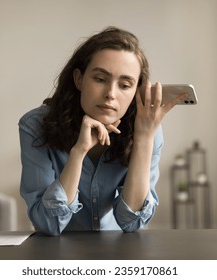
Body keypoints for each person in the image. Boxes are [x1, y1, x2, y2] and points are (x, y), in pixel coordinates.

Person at [18, 26, 185, 236]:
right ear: (79, 79)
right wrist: (78, 152)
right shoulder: (34, 126)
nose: (110, 94)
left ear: (136, 91)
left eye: (125, 85)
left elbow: (132, 223)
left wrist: (143, 138)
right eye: (100, 79)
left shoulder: (147, 129)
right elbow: (48, 224)